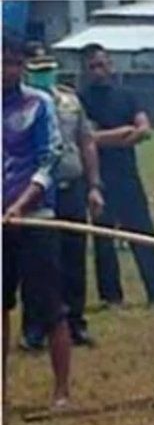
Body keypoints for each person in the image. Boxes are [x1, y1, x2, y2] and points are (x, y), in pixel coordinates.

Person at [78, 43, 154, 307]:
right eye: (92, 67)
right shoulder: (80, 101)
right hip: (97, 176)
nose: (98, 71)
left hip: (127, 175)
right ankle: (111, 297)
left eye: (102, 64)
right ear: (85, 70)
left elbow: (144, 129)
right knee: (104, 238)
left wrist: (109, 137)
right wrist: (123, 134)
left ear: (110, 65)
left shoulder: (127, 95)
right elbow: (85, 139)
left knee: (144, 233)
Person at [20, 42, 104, 349]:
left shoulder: (70, 101)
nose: (45, 74)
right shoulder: (20, 105)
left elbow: (87, 142)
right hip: (36, 193)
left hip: (71, 186)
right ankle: (34, 328)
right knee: (38, 262)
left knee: (73, 257)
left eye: (48, 68)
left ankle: (75, 323)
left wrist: (94, 185)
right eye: (37, 69)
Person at [2, 34, 71, 407]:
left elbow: (50, 160)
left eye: (10, 62)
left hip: (37, 219)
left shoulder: (39, 104)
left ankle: (61, 391)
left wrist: (22, 205)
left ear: (21, 65)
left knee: (49, 307)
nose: (4, 70)